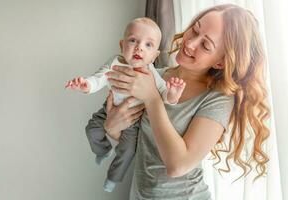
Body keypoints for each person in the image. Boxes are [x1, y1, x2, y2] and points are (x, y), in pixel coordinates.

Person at [102, 4, 270, 199]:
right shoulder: (154, 77)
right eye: (195, 30)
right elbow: (138, 143)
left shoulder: (217, 99)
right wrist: (111, 127)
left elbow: (177, 165)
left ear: (220, 62)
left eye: (205, 45)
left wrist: (153, 99)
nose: (190, 43)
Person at [65, 17, 186, 192]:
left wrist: (172, 94)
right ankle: (103, 150)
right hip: (108, 109)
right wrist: (86, 85)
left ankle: (113, 177)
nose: (139, 47)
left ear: (154, 56)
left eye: (148, 45)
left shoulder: (151, 73)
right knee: (91, 129)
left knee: (127, 150)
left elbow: (162, 95)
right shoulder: (115, 62)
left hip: (135, 120)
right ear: (122, 45)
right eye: (133, 40)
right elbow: (99, 78)